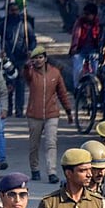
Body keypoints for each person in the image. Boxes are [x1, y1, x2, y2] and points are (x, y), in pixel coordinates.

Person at [24, 46, 71, 183]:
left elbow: (62, 93)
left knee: (51, 143)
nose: (38, 60)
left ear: (45, 58)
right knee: (34, 144)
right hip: (34, 114)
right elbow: (26, 76)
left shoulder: (55, 73)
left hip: (51, 114)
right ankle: (35, 169)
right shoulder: (31, 73)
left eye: (40, 57)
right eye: (35, 58)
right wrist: (27, 67)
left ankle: (52, 172)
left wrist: (68, 111)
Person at [69, 2, 101, 89]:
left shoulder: (99, 24)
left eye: (88, 14)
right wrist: (74, 49)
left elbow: (101, 39)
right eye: (85, 14)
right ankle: (77, 88)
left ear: (93, 15)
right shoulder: (80, 22)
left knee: (97, 69)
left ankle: (96, 89)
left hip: (94, 51)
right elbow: (76, 36)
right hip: (81, 50)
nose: (85, 16)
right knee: (77, 68)